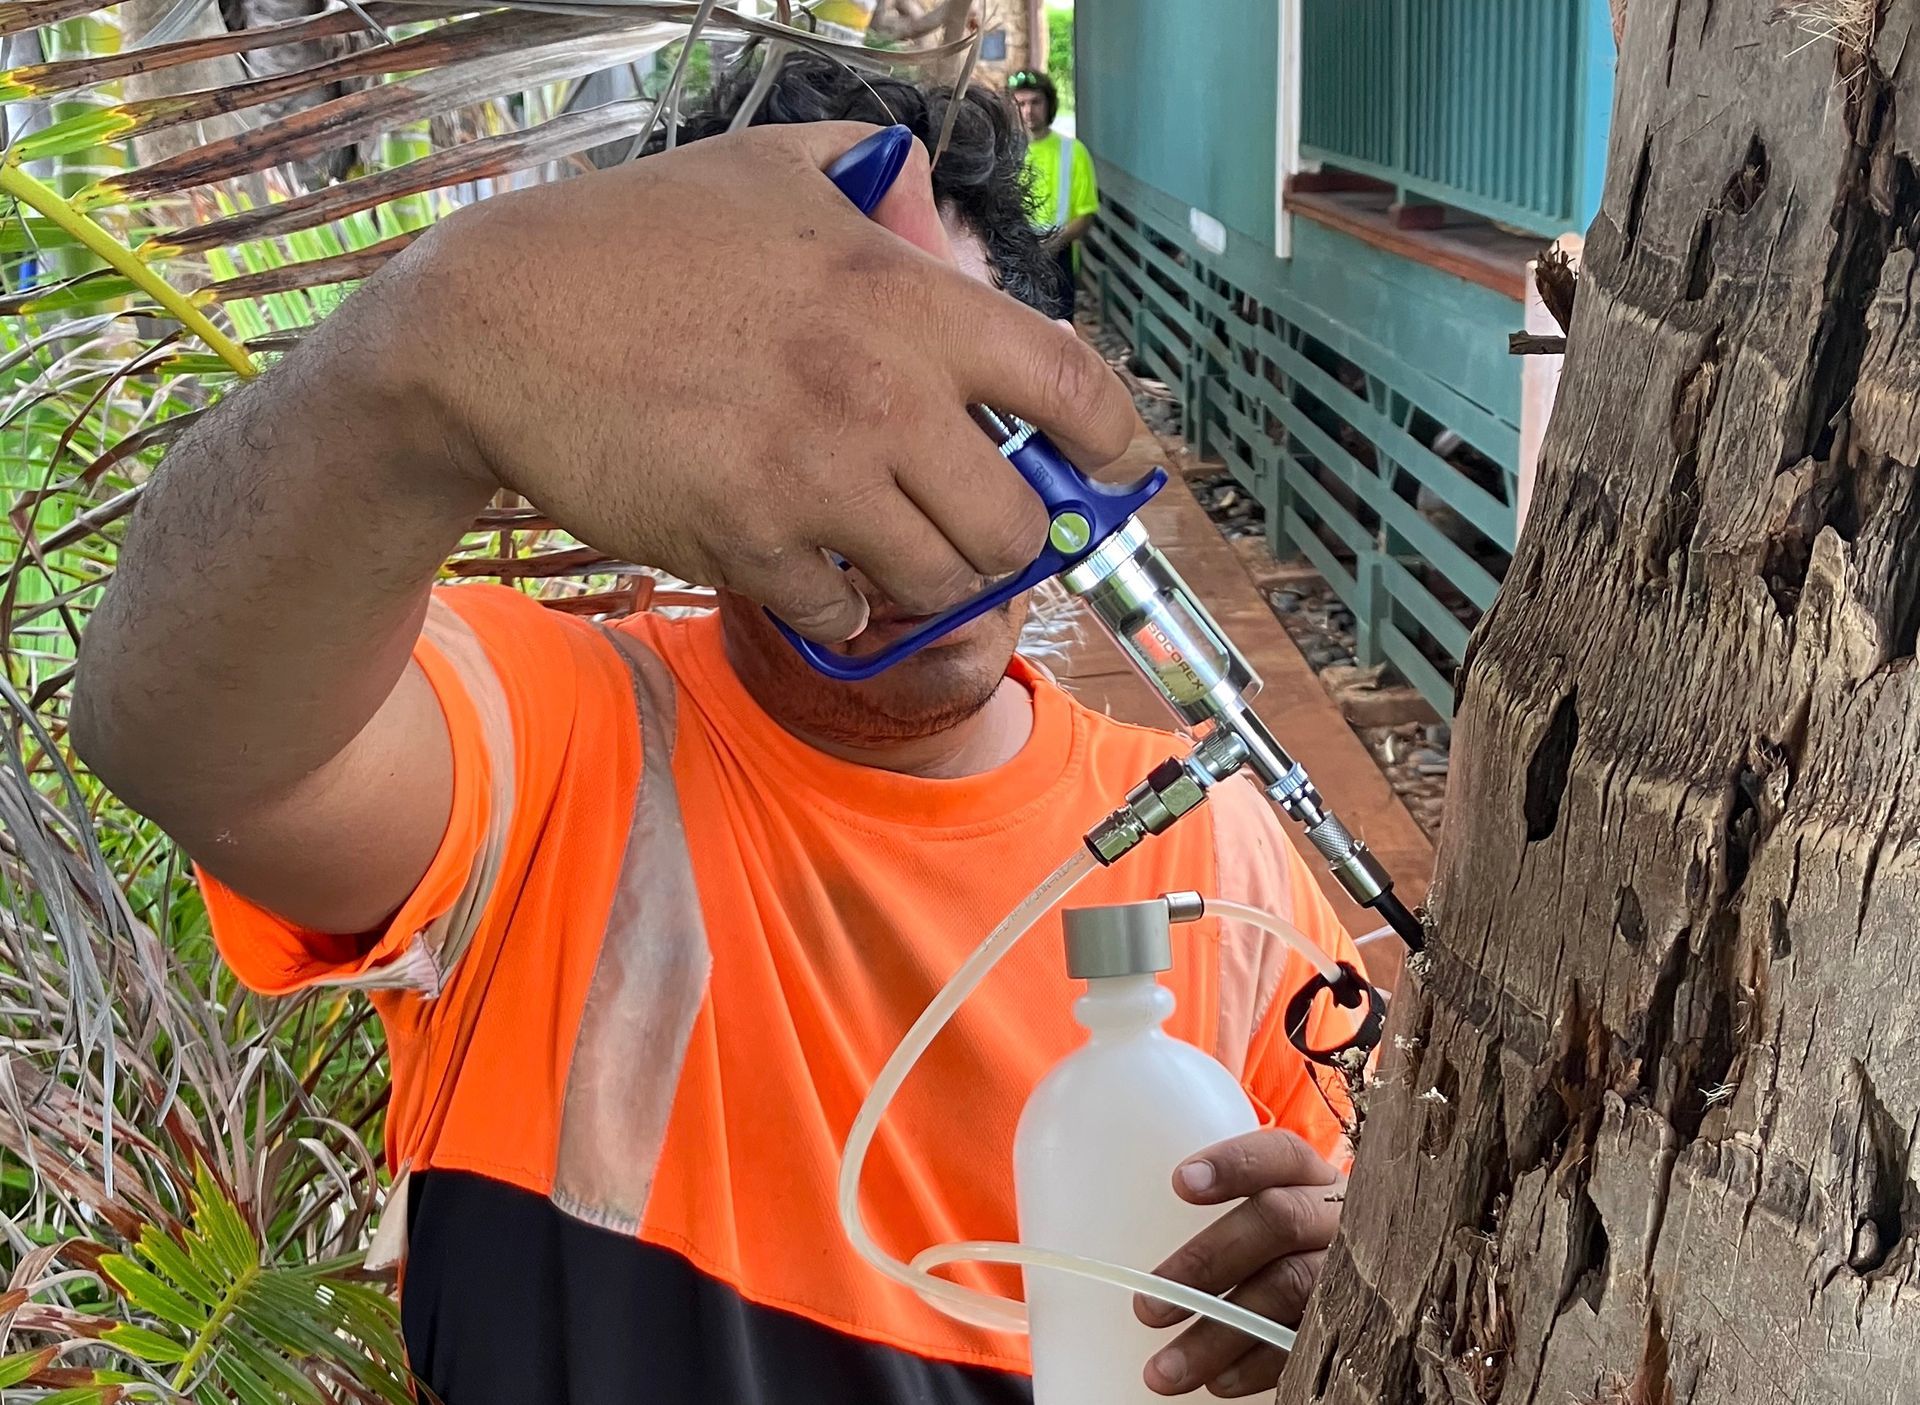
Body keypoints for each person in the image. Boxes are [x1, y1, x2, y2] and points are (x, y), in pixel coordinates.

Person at [72, 57, 1362, 1405]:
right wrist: (439, 341)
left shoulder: (1220, 858)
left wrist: (1344, 1295)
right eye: (813, 404)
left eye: (966, 408)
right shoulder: (550, 743)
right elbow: (181, 730)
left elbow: (1368, 1239)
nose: (903, 485)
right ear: (682, 441)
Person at [1007, 69, 1098, 318]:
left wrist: (1051, 245)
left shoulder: (1073, 152)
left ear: (1049, 104)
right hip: (1016, 258)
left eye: (1036, 102)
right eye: (1021, 103)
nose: (1028, 110)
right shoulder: (1006, 154)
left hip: (1058, 259)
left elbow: (1085, 214)